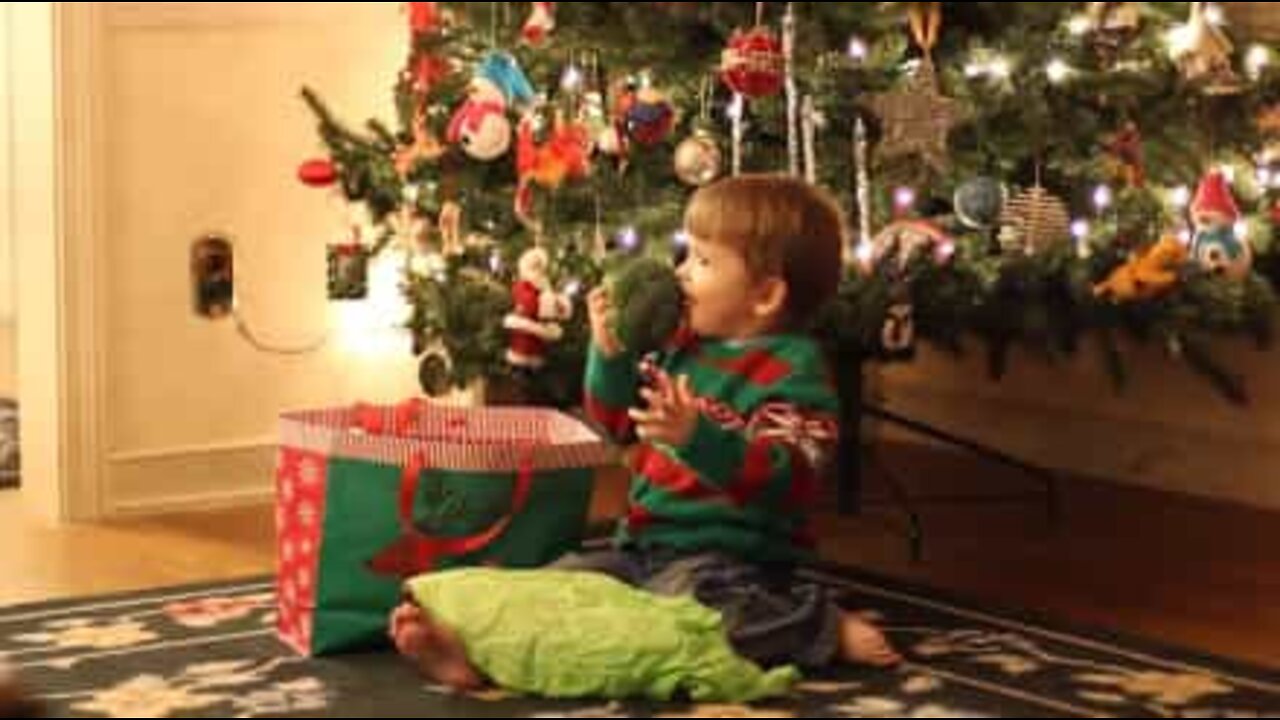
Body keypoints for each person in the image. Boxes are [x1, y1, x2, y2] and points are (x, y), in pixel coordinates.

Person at [389, 174, 899, 691]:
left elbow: (791, 477)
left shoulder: (795, 370)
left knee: (702, 616)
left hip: (733, 563)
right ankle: (477, 658)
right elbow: (616, 423)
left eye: (702, 262)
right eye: (686, 255)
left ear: (765, 294)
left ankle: (815, 626)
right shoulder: (683, 347)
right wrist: (607, 356)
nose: (680, 274)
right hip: (640, 546)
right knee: (558, 585)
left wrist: (699, 438)